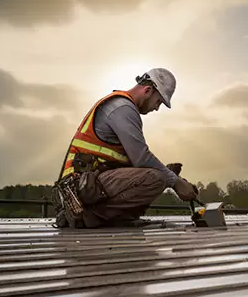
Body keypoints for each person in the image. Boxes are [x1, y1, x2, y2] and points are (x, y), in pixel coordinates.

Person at [52, 67, 198, 229]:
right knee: (156, 178)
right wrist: (175, 182)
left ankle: (105, 217)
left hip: (88, 186)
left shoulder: (121, 107)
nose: (157, 108)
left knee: (160, 175)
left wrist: (170, 174)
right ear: (148, 90)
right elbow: (142, 158)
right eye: (158, 102)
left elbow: (132, 162)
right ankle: (85, 217)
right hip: (79, 191)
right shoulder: (123, 108)